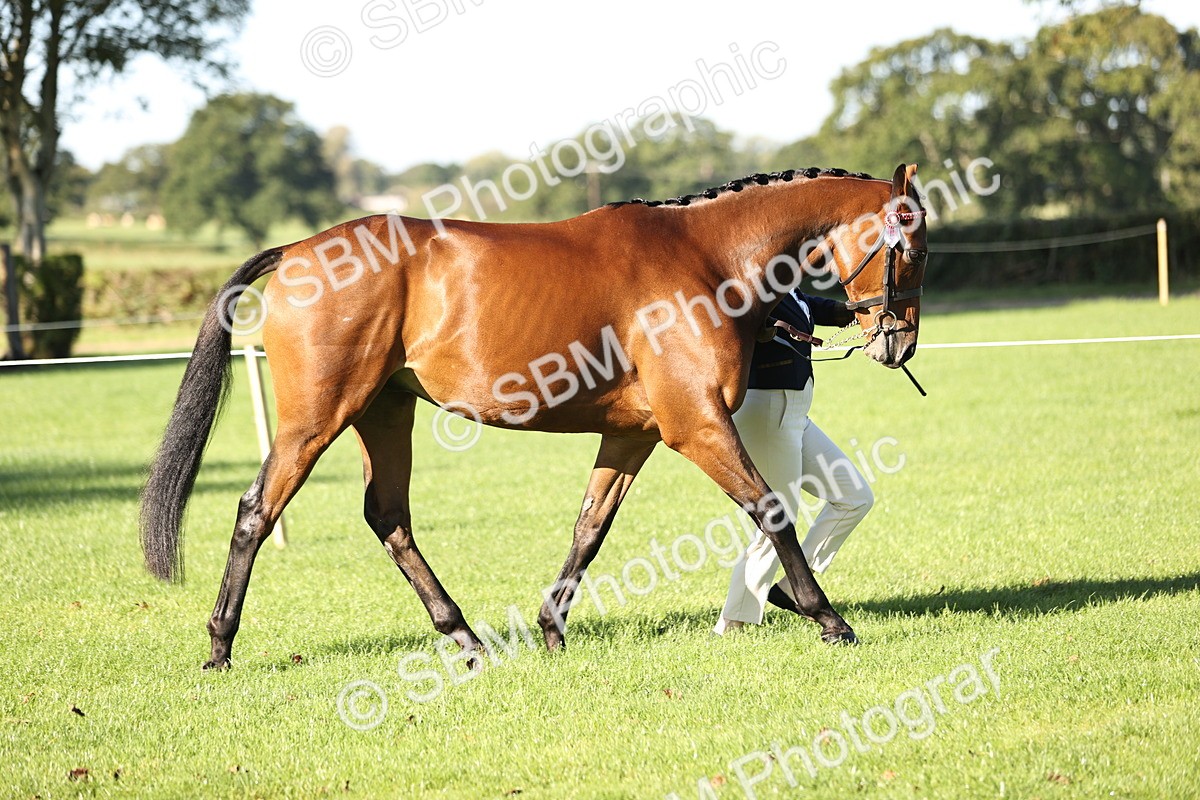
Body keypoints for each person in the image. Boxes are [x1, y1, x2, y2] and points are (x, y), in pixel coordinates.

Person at [713, 289, 875, 634]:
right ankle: (733, 622)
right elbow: (741, 318)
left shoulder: (787, 285)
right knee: (777, 518)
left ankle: (789, 588)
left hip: (796, 413)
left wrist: (855, 308)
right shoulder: (748, 286)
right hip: (766, 412)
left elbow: (812, 306)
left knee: (854, 497)